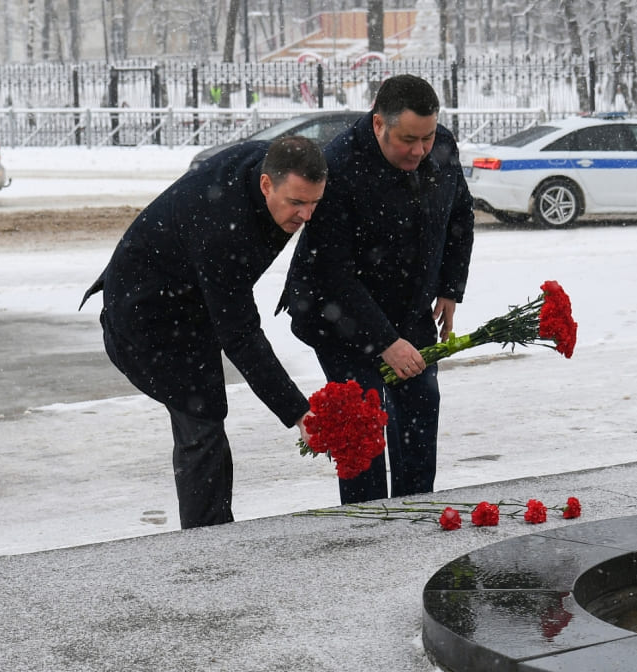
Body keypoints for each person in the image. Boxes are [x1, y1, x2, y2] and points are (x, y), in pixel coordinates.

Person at [80, 135, 327, 529]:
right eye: (296, 203)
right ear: (267, 184)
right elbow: (241, 334)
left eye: (314, 202)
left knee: (207, 419)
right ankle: (206, 549)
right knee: (202, 423)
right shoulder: (222, 226)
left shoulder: (279, 170)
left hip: (189, 302)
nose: (307, 215)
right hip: (146, 318)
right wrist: (299, 412)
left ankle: (215, 530)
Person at [278, 74, 474, 504]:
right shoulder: (341, 167)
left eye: (427, 137)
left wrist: (449, 286)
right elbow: (333, 273)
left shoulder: (441, 145)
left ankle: (415, 509)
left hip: (408, 304)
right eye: (408, 139)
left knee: (421, 404)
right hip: (338, 315)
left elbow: (459, 213)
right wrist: (385, 341)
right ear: (378, 124)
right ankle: (367, 527)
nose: (420, 150)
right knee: (362, 424)